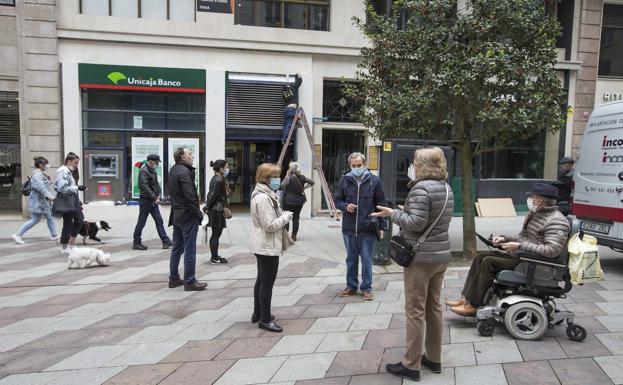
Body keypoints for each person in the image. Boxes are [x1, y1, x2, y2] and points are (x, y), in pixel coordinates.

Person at [372, 147, 454, 382]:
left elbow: (416, 223)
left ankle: (411, 365)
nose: (412, 166)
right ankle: (434, 358)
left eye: (415, 162)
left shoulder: (421, 187)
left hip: (421, 259)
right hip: (440, 256)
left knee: (415, 311)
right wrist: (405, 212)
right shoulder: (445, 187)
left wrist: (392, 214)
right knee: (434, 307)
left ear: (423, 165)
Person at [448, 182, 570, 316]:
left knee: (488, 261)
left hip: (536, 264)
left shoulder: (557, 221)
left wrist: (520, 246)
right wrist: (504, 238)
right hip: (524, 257)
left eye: (532, 197)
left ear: (539, 200)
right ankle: (467, 299)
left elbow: (552, 250)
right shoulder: (535, 214)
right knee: (480, 257)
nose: (530, 200)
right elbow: (521, 237)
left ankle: (474, 305)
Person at [334, 152, 387, 301]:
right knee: (350, 259)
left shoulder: (374, 181)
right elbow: (338, 200)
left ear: (364, 164)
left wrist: (382, 227)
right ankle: (351, 286)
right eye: (354, 165)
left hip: (368, 228)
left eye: (359, 165)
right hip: (349, 228)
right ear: (350, 165)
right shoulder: (345, 180)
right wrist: (345, 207)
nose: (356, 168)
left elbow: (381, 205)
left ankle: (367, 288)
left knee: (366, 259)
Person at [249, 163, 293, 333]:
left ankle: (258, 312)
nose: (278, 179)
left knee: (261, 279)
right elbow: (269, 225)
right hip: (266, 244)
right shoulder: (263, 197)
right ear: (265, 178)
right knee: (267, 282)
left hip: (262, 244)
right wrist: (286, 217)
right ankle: (265, 319)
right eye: (275, 176)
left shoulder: (264, 193)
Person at [168, 147, 207, 291]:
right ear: (182, 157)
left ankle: (173, 278)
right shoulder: (185, 172)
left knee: (177, 248)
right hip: (187, 215)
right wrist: (198, 213)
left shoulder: (174, 170)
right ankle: (190, 281)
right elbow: (190, 196)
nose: (192, 156)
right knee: (189, 249)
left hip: (177, 214)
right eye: (189, 154)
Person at [12, 157, 58, 244]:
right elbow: (41, 188)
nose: (47, 166)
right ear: (40, 165)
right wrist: (50, 196)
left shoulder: (41, 174)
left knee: (50, 218)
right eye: (46, 164)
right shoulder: (37, 175)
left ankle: (54, 235)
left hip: (43, 202)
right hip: (38, 203)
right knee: (35, 220)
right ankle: (18, 235)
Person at [132, 154, 173, 251]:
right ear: (150, 162)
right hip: (146, 201)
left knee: (159, 221)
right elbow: (144, 187)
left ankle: (165, 241)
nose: (157, 164)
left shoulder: (151, 170)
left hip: (152, 201)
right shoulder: (144, 171)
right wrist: (154, 197)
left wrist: (158, 195)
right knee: (141, 222)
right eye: (156, 162)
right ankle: (136, 242)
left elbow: (154, 184)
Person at [55, 153, 86, 254]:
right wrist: (77, 188)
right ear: (69, 161)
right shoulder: (62, 171)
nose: (77, 165)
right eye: (76, 162)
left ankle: (71, 244)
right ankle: (64, 247)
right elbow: (61, 188)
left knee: (79, 221)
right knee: (68, 223)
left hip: (73, 199)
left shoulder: (70, 171)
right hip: (66, 200)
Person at [205, 159, 230, 264]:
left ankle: (214, 256)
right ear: (221, 169)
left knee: (216, 234)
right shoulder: (219, 180)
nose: (228, 169)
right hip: (217, 210)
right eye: (226, 167)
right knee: (216, 234)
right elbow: (213, 196)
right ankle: (214, 258)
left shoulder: (217, 178)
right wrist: (207, 207)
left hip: (216, 209)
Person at [281, 161, 314, 241]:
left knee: (286, 218)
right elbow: (312, 182)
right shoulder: (302, 177)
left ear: (291, 169)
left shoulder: (288, 177)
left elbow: (282, 185)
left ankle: (286, 235)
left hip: (288, 201)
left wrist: (286, 175)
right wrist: (305, 188)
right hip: (299, 201)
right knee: (296, 218)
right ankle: (294, 235)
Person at [282, 73, 302, 145]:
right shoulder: (293, 88)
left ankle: (285, 139)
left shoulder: (284, 94)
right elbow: (299, 82)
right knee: (289, 124)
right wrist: (298, 75)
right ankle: (298, 123)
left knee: (286, 124)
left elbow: (284, 100)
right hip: (292, 109)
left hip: (286, 109)